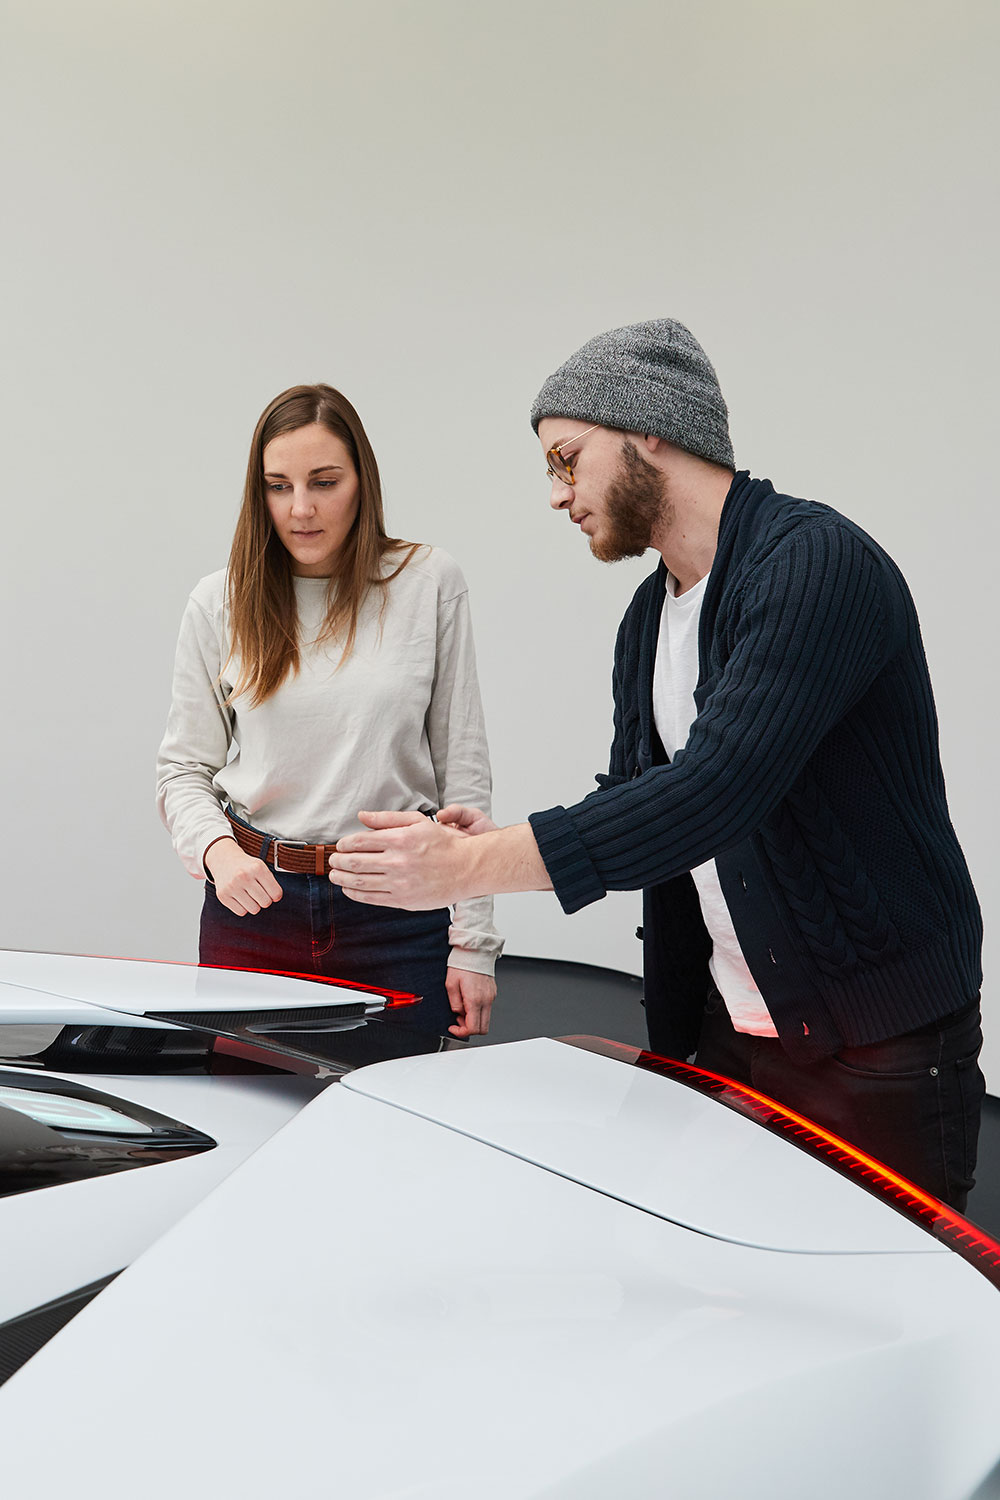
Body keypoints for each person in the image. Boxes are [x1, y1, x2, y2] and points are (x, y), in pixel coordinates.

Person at [327, 320, 986, 1210]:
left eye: (568, 459)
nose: (558, 495)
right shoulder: (651, 615)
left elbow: (719, 789)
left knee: (897, 1310)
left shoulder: (817, 565)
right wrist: (494, 835)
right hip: (730, 1025)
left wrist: (479, 866)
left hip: (879, 1041)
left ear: (649, 431)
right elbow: (647, 796)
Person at [157, 382, 501, 1041]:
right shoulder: (218, 601)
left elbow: (464, 776)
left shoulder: (428, 582)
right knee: (250, 1126)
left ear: (361, 482)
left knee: (404, 1129)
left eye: (324, 481)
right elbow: (181, 770)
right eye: (278, 486)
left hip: (398, 909)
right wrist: (217, 854)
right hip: (255, 913)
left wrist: (474, 942)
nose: (301, 508)